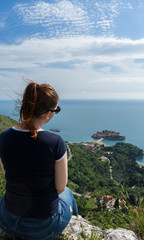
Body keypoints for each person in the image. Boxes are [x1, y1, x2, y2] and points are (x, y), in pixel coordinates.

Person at [0, 81, 78, 240]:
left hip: (7, 220)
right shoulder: (55, 142)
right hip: (40, 228)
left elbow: (7, 174)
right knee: (69, 193)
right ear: (46, 113)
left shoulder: (4, 137)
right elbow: (61, 187)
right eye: (56, 110)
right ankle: (77, 221)